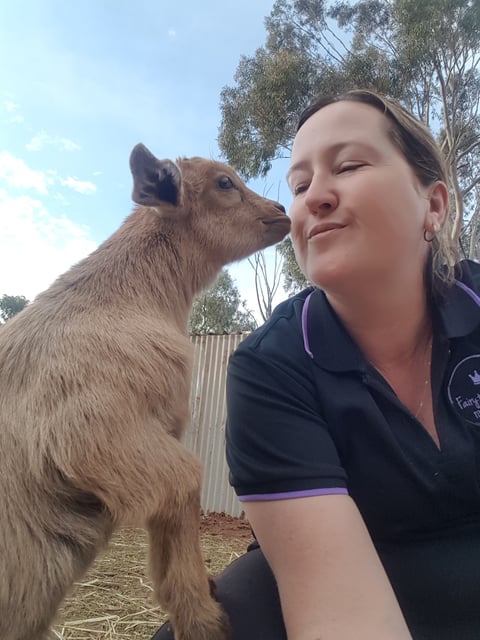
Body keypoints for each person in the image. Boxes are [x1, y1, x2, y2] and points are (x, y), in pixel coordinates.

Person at [152, 89, 480, 640]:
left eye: (349, 165)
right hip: (343, 569)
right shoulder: (272, 366)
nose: (313, 198)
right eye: (300, 186)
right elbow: (341, 613)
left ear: (435, 204)